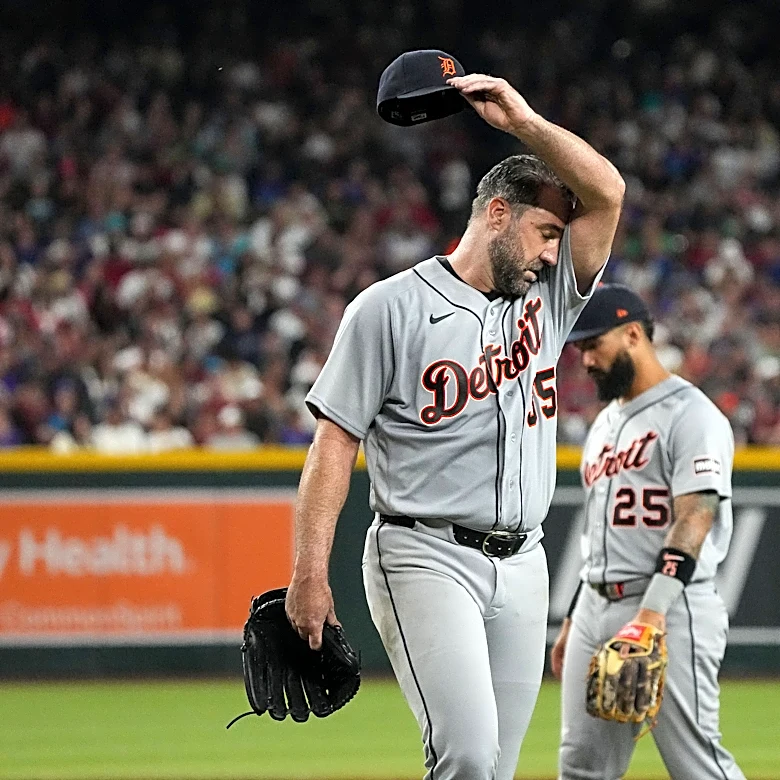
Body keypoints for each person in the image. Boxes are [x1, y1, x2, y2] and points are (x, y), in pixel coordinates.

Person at [287, 73, 625, 780]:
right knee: (466, 755)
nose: (554, 253)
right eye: (546, 233)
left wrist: (524, 122)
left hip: (525, 561)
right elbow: (334, 444)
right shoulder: (388, 309)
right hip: (426, 554)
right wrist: (309, 572)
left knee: (496, 768)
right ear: (497, 213)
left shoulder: (548, 299)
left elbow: (608, 193)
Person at [551, 283, 746, 780]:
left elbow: (696, 515)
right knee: (581, 767)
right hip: (596, 604)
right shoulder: (603, 424)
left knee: (696, 765)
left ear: (633, 334)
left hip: (669, 606)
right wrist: (575, 615)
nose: (586, 360)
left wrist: (651, 613)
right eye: (580, 348)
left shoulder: (692, 414)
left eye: (594, 345)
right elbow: (600, 533)